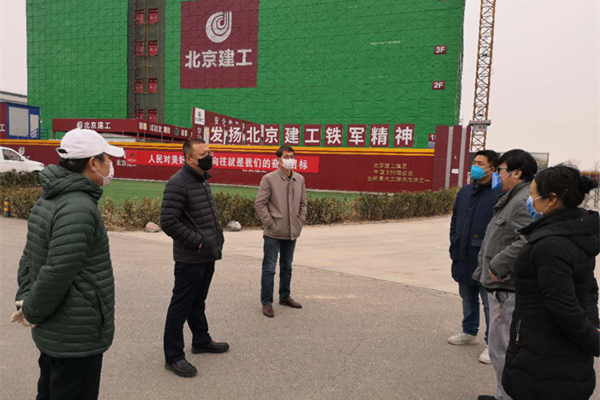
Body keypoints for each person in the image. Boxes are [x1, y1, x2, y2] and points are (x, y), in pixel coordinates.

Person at [10, 128, 124, 400]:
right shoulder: (78, 206)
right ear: (93, 163)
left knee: (50, 389)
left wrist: (26, 299)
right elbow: (57, 270)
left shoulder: (51, 197)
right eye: (107, 159)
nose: (110, 166)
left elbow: (30, 255)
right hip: (75, 334)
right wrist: (32, 310)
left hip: (58, 329)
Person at [502, 166, 600, 400]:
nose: (530, 201)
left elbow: (563, 306)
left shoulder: (550, 245)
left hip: (543, 359)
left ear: (551, 199)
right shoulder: (576, 231)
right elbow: (588, 288)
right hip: (563, 356)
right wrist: (593, 324)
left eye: (533, 195)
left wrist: (594, 340)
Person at [472, 149, 538, 400]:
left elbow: (528, 239)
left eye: (500, 169)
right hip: (500, 284)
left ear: (516, 173)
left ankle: (506, 396)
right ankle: (502, 393)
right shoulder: (512, 198)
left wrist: (497, 266)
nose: (497, 175)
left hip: (506, 287)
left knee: (502, 349)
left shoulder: (521, 201)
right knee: (500, 348)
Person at [160, 139, 228, 378]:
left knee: (198, 301)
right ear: (189, 158)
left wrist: (213, 239)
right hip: (190, 257)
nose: (209, 156)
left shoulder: (201, 179)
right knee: (180, 306)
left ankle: (201, 340)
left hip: (206, 254)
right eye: (203, 154)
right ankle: (173, 356)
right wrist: (197, 240)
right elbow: (168, 222)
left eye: (209, 152)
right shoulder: (178, 183)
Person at [448, 150, 501, 364]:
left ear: (492, 169)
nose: (475, 167)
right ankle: (469, 331)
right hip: (463, 253)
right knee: (467, 296)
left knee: (489, 303)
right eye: (474, 162)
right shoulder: (465, 191)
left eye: (480, 163)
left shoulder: (500, 194)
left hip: (486, 257)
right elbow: (455, 218)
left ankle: (492, 343)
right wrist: (454, 240)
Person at [255, 145, 308, 318]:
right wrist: (270, 223)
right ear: (278, 159)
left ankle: (285, 296)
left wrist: (299, 221)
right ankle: (267, 302)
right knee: (269, 268)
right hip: (273, 232)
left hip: (292, 232)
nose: (289, 159)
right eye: (286, 156)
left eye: (292, 156)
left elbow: (303, 203)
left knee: (287, 267)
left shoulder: (299, 179)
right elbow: (260, 204)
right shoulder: (269, 179)